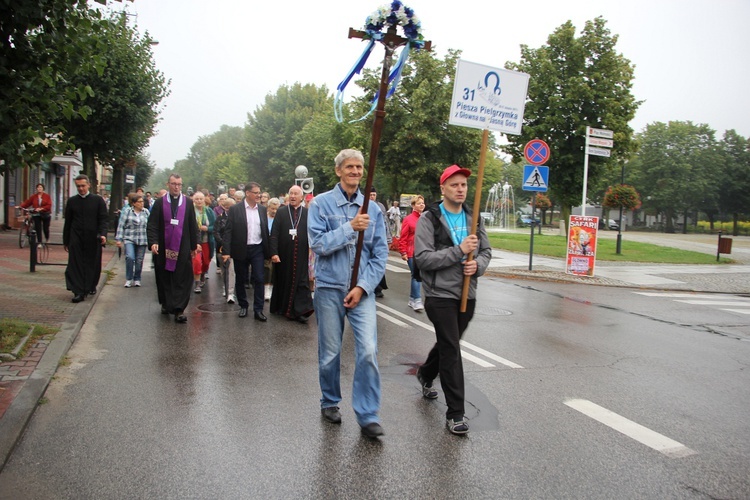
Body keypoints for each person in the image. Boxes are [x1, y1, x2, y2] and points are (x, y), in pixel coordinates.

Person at [308, 149, 388, 438]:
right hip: (329, 288)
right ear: (339, 171)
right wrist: (349, 228)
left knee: (368, 349)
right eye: (350, 167)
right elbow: (318, 244)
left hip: (361, 291)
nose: (356, 171)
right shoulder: (320, 205)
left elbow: (380, 254)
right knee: (330, 352)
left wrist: (362, 287)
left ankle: (368, 415)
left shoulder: (374, 210)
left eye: (359, 167)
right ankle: (330, 400)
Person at [414, 165, 492, 435]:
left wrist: (477, 265)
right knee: (451, 349)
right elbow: (422, 258)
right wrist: (458, 250)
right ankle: (456, 413)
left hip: (467, 294)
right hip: (439, 295)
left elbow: (486, 251)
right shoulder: (429, 219)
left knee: (450, 343)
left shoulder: (474, 218)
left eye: (464, 185)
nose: (461, 189)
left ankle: (426, 373)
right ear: (443, 188)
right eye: (455, 185)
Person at [147, 173, 199, 323]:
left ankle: (179, 309)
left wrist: (194, 245)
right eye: (174, 184)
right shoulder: (159, 203)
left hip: (182, 245)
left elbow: (192, 224)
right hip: (163, 246)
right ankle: (166, 302)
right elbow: (152, 225)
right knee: (164, 276)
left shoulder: (188, 203)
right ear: (168, 184)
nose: (176, 187)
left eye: (179, 184)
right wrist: (153, 241)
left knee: (181, 277)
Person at [221, 182, 270, 320]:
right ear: (248, 193)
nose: (258, 195)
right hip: (241, 248)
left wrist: (269, 251)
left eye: (259, 192)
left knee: (259, 278)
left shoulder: (261, 209)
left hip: (257, 248)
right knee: (241, 279)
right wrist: (226, 251)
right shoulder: (236, 209)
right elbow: (228, 231)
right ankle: (243, 305)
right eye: (255, 192)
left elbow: (265, 231)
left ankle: (258, 309)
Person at [270, 185, 314, 322]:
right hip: (284, 254)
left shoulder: (306, 213)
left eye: (296, 194)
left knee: (301, 282)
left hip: (301, 254)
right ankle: (283, 308)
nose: (293, 196)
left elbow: (312, 233)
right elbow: (274, 234)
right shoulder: (282, 212)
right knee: (284, 281)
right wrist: (274, 252)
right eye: (291, 194)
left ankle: (301, 310)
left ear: (301, 197)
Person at [63, 175, 108, 303]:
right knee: (75, 264)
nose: (81, 188)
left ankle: (90, 285)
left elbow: (103, 219)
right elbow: (68, 222)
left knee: (91, 264)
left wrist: (103, 234)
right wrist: (66, 240)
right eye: (78, 186)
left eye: (83, 186)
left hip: (93, 238)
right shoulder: (72, 201)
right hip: (76, 237)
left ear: (88, 185)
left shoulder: (98, 200)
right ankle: (78, 291)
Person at [115, 193, 150, 288]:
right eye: (139, 202)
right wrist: (119, 239)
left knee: (139, 260)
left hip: (142, 239)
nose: (141, 203)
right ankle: (129, 278)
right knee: (130, 257)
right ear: (134, 203)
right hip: (129, 238)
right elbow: (121, 225)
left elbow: (150, 226)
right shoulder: (127, 211)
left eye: (142, 201)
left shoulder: (146, 212)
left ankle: (137, 278)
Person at [399, 194, 425, 311]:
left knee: (415, 275)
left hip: (422, 251)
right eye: (419, 203)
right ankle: (417, 300)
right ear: (413, 205)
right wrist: (403, 251)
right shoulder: (408, 219)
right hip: (411, 252)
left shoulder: (425, 218)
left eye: (423, 203)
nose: (422, 205)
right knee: (416, 275)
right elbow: (403, 237)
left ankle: (411, 299)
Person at [190, 191, 215, 293]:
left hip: (206, 241)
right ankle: (197, 283)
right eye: (197, 199)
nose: (199, 201)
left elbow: (215, 226)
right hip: (195, 242)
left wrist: (207, 228)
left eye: (201, 199)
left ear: (204, 200)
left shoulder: (209, 211)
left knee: (205, 262)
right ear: (194, 200)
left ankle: (203, 275)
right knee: (196, 261)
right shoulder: (190, 211)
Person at [213, 196, 236, 304]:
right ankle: (225, 287)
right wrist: (223, 243)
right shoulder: (219, 218)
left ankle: (230, 293)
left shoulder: (237, 218)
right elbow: (216, 232)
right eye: (229, 207)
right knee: (224, 270)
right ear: (225, 208)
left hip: (233, 247)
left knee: (231, 270)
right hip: (221, 248)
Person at [369, 187, 390, 298]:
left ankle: (378, 288)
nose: (372, 196)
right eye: (370, 194)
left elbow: (385, 223)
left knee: (379, 263)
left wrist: (388, 239)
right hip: (368, 240)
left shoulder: (381, 206)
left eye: (374, 194)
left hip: (379, 238)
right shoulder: (364, 206)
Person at [264, 197, 280, 300]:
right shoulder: (264, 218)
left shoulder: (280, 219)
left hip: (277, 246)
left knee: (275, 269)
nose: (274, 211)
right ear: (268, 207)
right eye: (272, 208)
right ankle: (267, 289)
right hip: (266, 246)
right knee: (267, 268)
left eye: (276, 209)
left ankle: (275, 289)